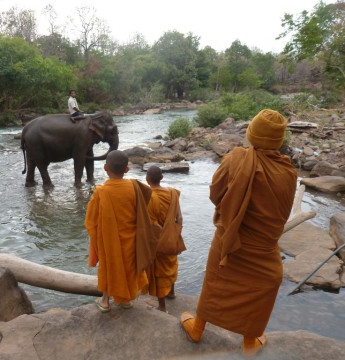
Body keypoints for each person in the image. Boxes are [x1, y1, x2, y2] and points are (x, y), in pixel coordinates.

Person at [179, 109, 297, 356]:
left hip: (230, 239)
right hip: (264, 247)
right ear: (279, 141)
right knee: (260, 288)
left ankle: (198, 328)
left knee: (216, 283)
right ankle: (250, 341)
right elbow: (281, 212)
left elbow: (215, 193)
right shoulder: (288, 171)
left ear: (251, 134)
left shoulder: (236, 160)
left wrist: (234, 209)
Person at [86, 150, 156, 312]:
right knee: (129, 267)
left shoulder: (101, 192)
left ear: (105, 168)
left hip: (109, 241)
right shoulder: (134, 186)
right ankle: (125, 300)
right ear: (126, 169)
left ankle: (105, 301)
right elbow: (147, 196)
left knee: (109, 267)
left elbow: (91, 222)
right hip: (131, 238)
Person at [145, 165, 185, 313]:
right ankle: (171, 292)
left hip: (158, 240)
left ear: (147, 179)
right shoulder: (173, 193)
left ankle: (162, 307)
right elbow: (179, 217)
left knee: (159, 272)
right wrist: (175, 234)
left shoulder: (150, 197)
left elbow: (152, 224)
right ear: (162, 178)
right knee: (171, 264)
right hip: (172, 236)